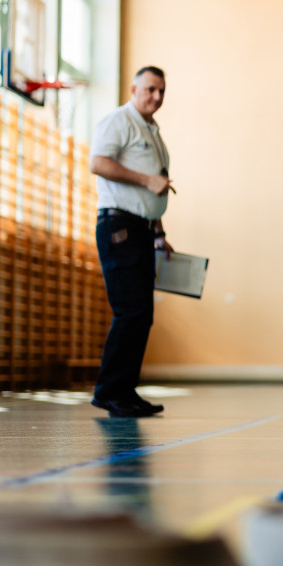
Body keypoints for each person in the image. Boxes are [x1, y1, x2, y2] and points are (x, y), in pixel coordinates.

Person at [89, 66, 175, 418]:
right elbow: (97, 162)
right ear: (133, 88)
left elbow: (152, 192)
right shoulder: (119, 121)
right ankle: (110, 392)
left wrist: (159, 232)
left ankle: (125, 391)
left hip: (140, 229)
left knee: (143, 314)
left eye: (161, 91)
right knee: (130, 311)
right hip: (119, 228)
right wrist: (146, 180)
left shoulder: (151, 131)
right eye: (150, 89)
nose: (156, 96)